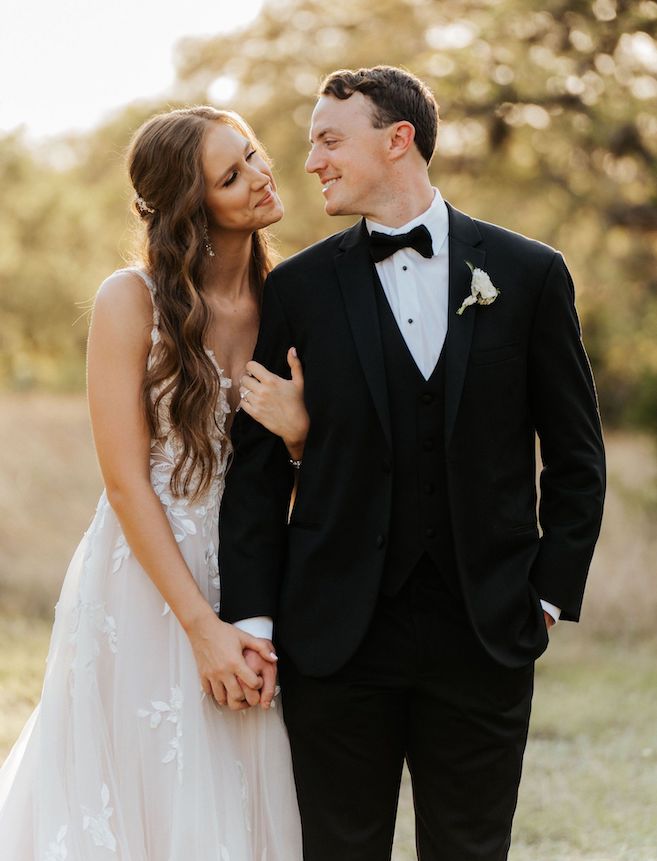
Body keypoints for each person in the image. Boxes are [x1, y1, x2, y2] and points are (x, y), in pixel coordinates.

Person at [219, 66, 606, 861]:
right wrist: (253, 618)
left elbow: (575, 457)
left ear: (398, 140)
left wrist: (546, 597)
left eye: (329, 139)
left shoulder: (529, 274)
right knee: (338, 848)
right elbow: (255, 472)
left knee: (470, 849)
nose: (311, 161)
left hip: (486, 629)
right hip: (335, 635)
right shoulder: (296, 288)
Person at [0, 106, 305, 860]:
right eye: (230, 177)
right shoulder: (128, 300)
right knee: (140, 786)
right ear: (190, 209)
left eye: (253, 154)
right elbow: (126, 481)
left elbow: (307, 476)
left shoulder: (292, 300)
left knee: (241, 779)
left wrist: (300, 434)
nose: (261, 177)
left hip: (254, 574)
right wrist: (201, 627)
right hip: (142, 578)